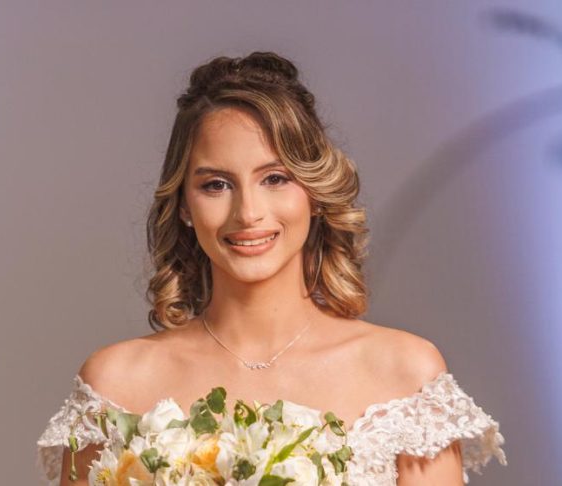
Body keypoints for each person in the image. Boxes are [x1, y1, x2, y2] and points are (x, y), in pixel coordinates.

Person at [37, 51, 507, 485]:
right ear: (183, 205)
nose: (248, 213)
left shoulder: (404, 375)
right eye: (216, 184)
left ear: (315, 192)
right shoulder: (116, 385)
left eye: (275, 178)